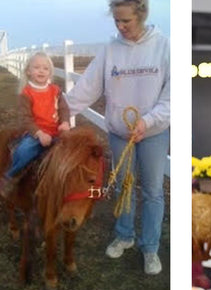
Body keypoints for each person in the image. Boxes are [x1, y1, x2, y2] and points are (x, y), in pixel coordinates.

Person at [67, 0, 169, 275]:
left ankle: (150, 247)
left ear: (142, 15)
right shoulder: (110, 50)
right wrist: (63, 113)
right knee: (123, 186)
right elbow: (88, 86)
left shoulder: (164, 47)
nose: (121, 27)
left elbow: (172, 97)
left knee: (152, 191)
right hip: (120, 133)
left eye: (127, 21)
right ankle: (125, 235)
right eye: (117, 22)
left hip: (153, 134)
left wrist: (147, 121)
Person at [0, 52, 70, 197]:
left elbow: (64, 108)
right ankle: (10, 177)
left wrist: (65, 122)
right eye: (36, 67)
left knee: (74, 151)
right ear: (28, 71)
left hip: (56, 131)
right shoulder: (26, 93)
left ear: (50, 72)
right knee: (24, 151)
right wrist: (39, 133)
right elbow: (25, 119)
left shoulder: (56, 90)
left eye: (45, 68)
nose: (41, 71)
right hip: (36, 133)